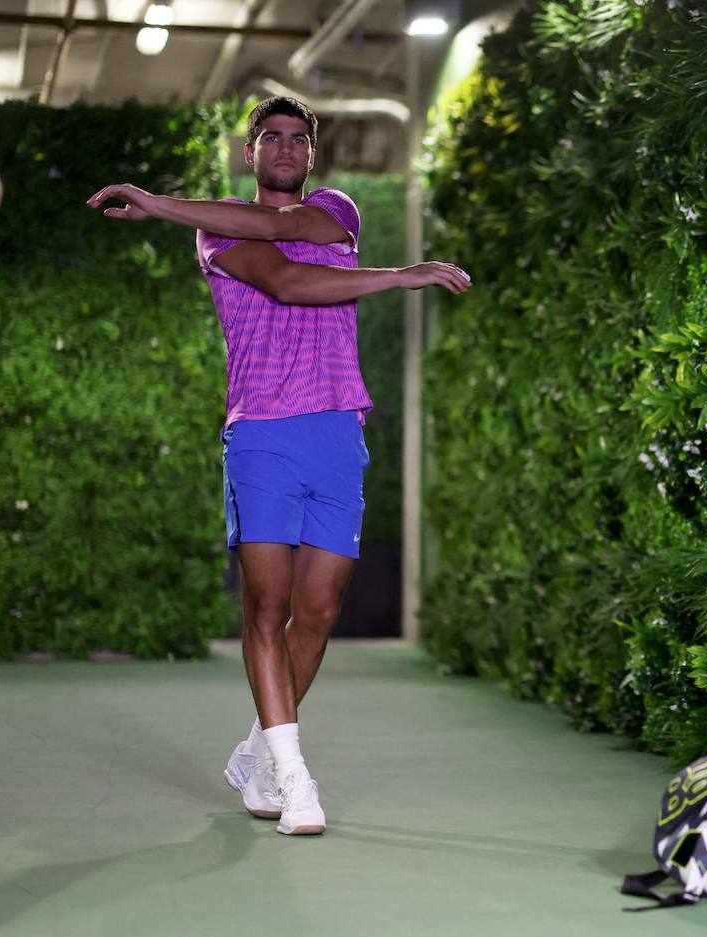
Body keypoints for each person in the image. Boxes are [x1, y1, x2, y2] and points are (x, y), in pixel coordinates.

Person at [87, 96, 471, 835]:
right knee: (266, 608)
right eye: (272, 137)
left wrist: (156, 203)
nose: (287, 147)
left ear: (313, 156)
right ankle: (294, 778)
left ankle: (259, 751)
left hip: (337, 432)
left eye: (300, 138)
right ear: (249, 153)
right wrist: (401, 277)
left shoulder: (338, 211)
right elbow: (287, 279)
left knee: (318, 610)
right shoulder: (214, 232)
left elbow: (291, 229)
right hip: (262, 433)